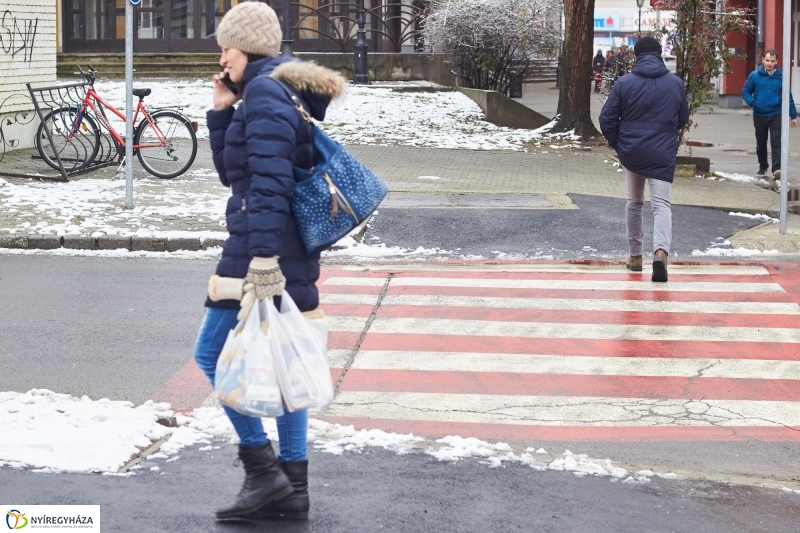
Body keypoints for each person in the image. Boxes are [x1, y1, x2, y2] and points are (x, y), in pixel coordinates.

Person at [193, 1, 344, 521]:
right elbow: (237, 176)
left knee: (210, 353)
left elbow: (272, 183)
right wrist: (220, 112)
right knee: (290, 367)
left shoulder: (264, 94)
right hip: (281, 248)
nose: (221, 56)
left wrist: (261, 259)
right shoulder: (265, 93)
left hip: (262, 250)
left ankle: (264, 472)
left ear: (246, 46)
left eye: (226, 47)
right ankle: (293, 486)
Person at [599, 36, 689, 282]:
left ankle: (635, 256)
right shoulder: (675, 83)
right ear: (659, 55)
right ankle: (661, 253)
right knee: (661, 205)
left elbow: (606, 119)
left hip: (632, 152)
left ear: (636, 57)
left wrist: (620, 145)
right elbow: (682, 118)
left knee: (634, 202)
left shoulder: (624, 83)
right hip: (662, 152)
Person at [742, 49, 798, 180]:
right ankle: (763, 167)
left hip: (776, 113)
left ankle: (776, 169)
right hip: (759, 114)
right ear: (763, 60)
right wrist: (754, 103)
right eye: (767, 60)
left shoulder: (782, 77)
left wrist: (793, 115)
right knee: (761, 142)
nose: (769, 63)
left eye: (772, 61)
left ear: (777, 62)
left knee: (776, 141)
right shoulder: (754, 76)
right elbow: (745, 92)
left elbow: (787, 96)